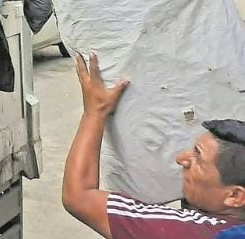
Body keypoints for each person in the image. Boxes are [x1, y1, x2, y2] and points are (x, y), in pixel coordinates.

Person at [62, 52, 245, 238]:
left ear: (235, 196)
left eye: (198, 157)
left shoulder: (192, 232)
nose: (181, 159)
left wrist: (95, 112)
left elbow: (79, 197)